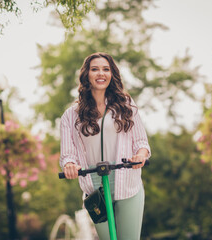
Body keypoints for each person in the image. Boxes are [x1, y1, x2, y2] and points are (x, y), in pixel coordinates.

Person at [60, 52, 151, 239]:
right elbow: (68, 154)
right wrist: (69, 165)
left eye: (105, 69)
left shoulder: (126, 105)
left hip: (127, 182)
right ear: (87, 75)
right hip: (94, 190)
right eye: (95, 69)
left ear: (112, 74)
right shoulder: (71, 115)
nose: (100, 73)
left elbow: (141, 143)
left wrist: (140, 156)